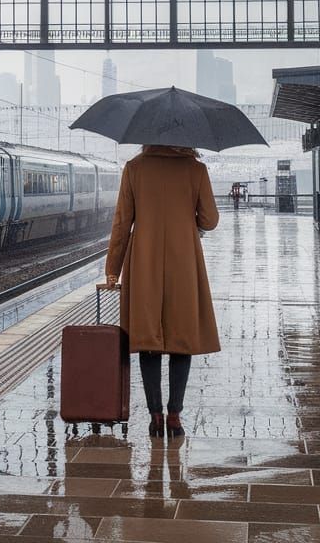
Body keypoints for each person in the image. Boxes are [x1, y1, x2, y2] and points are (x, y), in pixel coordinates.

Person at [105, 144, 220, 439]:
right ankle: (175, 417)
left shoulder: (134, 168)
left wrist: (112, 269)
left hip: (145, 261)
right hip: (184, 261)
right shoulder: (196, 169)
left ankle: (155, 416)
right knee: (183, 340)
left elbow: (121, 223)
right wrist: (186, 216)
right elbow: (210, 220)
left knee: (149, 339)